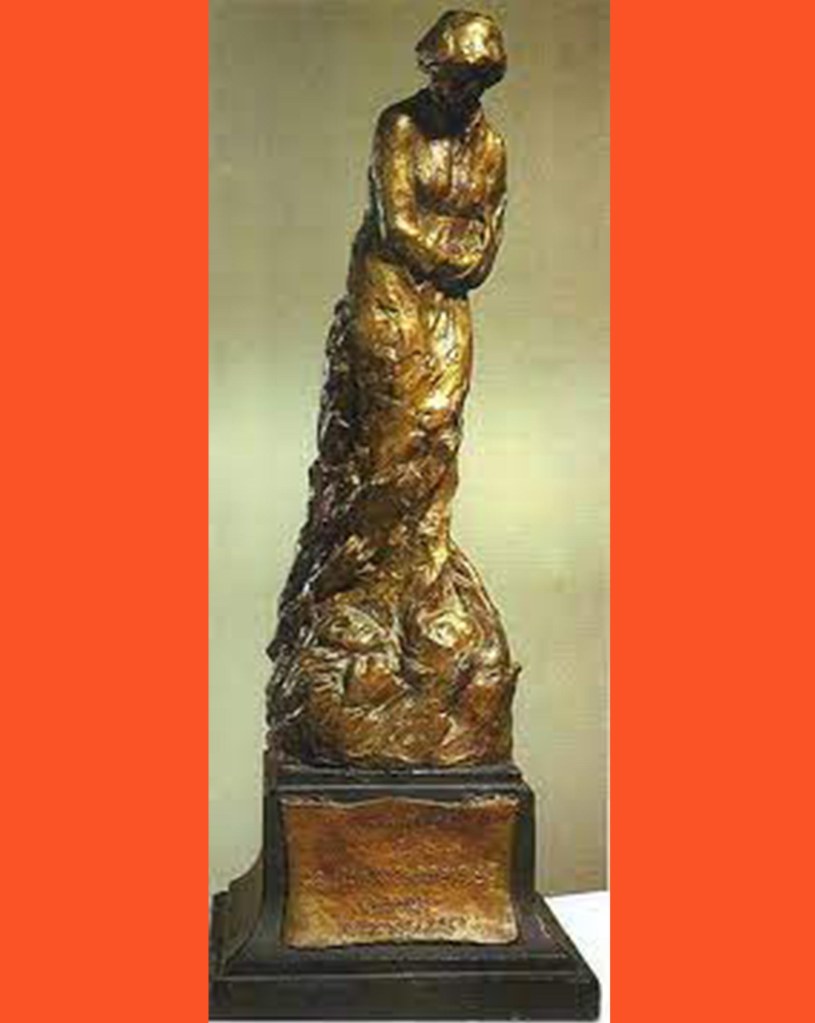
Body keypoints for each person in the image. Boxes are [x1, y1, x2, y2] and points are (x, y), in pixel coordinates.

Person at [267, 11, 519, 768]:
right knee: (390, 440)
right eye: (449, 77)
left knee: (438, 434)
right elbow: (398, 223)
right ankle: (360, 584)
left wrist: (459, 257)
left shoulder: (491, 146)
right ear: (432, 70)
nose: (458, 91)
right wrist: (455, 250)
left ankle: (420, 577)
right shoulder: (400, 126)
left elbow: (489, 236)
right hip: (387, 296)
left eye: (472, 81)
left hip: (446, 304)